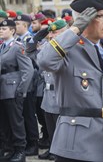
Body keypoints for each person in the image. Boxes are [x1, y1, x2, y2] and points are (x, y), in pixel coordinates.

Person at [37, 0, 103, 162]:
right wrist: (75, 29)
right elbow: (45, 60)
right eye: (100, 17)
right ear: (84, 20)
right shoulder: (67, 49)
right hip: (77, 142)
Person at [26, 19, 68, 160]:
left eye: (55, 32)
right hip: (48, 97)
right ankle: (53, 151)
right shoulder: (47, 48)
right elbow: (30, 53)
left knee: (62, 135)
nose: (51, 36)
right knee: (51, 131)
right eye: (50, 33)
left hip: (62, 96)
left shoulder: (70, 48)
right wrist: (39, 35)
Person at [0, 19, 34, 162]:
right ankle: (9, 149)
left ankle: (20, 151)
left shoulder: (17, 46)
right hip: (2, 90)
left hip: (13, 90)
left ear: (12, 31)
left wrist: (21, 91)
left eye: (4, 29)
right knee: (4, 122)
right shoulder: (2, 47)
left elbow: (28, 70)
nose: (1, 31)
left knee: (16, 122)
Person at [14, 14, 41, 156]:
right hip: (20, 81)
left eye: (18, 24)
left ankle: (33, 143)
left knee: (29, 113)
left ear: (25, 25)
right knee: (22, 113)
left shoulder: (29, 39)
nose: (15, 26)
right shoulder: (16, 40)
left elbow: (31, 62)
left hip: (29, 81)